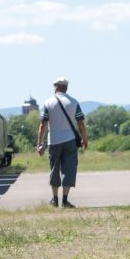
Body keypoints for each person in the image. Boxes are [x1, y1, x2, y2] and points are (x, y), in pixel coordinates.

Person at [38, 77, 88, 208]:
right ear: (66, 87)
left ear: (56, 87)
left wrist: (39, 143)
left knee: (54, 169)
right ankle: (65, 200)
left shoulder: (48, 102)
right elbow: (81, 123)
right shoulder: (74, 102)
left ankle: (54, 200)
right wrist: (84, 138)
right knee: (69, 169)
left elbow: (43, 125)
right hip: (70, 140)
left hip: (53, 141)